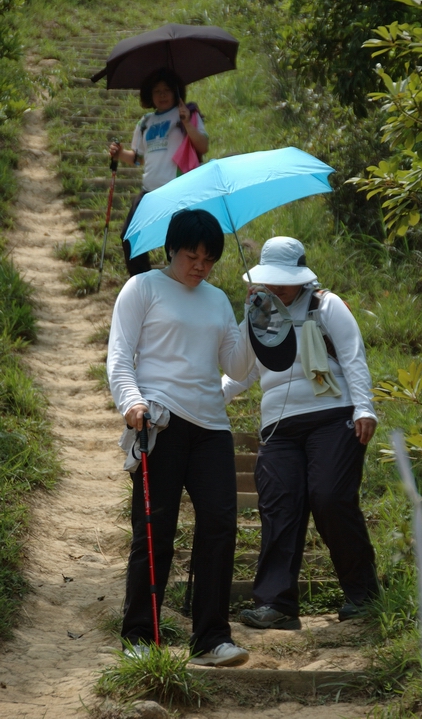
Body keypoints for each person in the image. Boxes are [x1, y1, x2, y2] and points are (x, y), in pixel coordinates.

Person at [106, 208, 255, 666]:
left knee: (220, 526)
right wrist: (131, 402)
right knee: (155, 530)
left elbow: (237, 367)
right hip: (159, 423)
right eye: (193, 256)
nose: (200, 266)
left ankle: (211, 639)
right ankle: (140, 637)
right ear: (172, 249)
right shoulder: (142, 288)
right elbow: (119, 356)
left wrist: (252, 319)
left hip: (212, 428)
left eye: (209, 260)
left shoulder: (217, 300)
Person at [222, 236, 379, 630]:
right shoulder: (260, 311)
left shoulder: (326, 305)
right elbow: (242, 372)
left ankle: (363, 596)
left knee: (330, 497)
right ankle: (275, 605)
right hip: (279, 427)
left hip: (333, 416)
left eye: (284, 281)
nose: (277, 287)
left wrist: (364, 407)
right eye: (270, 280)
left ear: (301, 277)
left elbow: (353, 356)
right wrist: (208, 398)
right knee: (280, 506)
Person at [109, 69, 209, 276]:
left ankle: (178, 284)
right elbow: (139, 158)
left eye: (167, 90)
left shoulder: (187, 113)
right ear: (149, 95)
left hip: (178, 191)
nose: (162, 95)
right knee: (130, 236)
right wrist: (120, 154)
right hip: (149, 190)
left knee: (177, 244)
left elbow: (203, 146)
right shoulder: (145, 122)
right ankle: (142, 283)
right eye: (157, 91)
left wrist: (187, 122)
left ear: (176, 92)